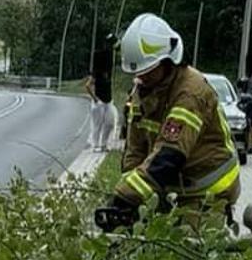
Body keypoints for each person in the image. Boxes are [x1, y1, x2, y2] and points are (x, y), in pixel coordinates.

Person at [94, 13, 243, 232]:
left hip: (207, 188)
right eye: (137, 73)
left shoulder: (191, 93)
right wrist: (127, 200)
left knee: (189, 256)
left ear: (168, 61)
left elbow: (170, 154)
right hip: (170, 187)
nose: (141, 79)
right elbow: (135, 149)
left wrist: (127, 196)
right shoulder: (142, 90)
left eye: (147, 72)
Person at [81, 38, 117, 151]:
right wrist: (95, 99)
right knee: (97, 125)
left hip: (108, 100)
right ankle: (95, 145)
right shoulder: (97, 73)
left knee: (110, 122)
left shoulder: (109, 73)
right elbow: (87, 85)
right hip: (99, 101)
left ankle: (104, 143)